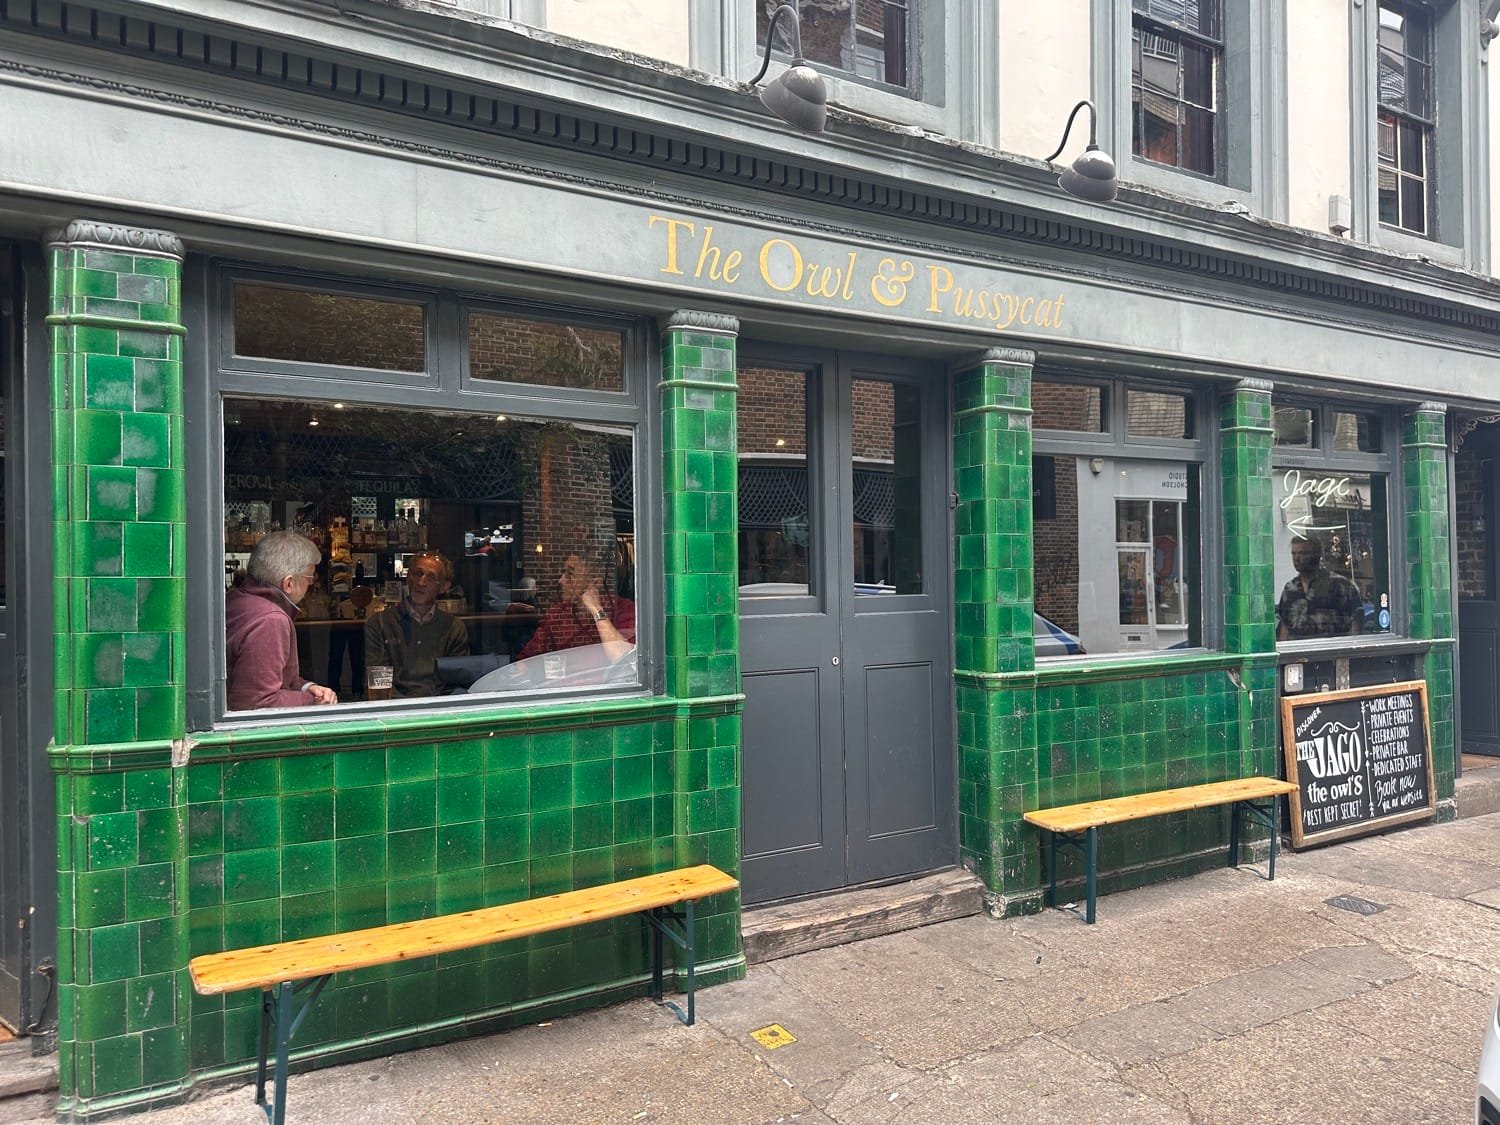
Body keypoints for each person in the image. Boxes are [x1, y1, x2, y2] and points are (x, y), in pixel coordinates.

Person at [224, 531, 338, 710]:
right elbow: (258, 702)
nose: (312, 584)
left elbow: (274, 679)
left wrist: (308, 687)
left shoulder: (237, 598)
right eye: (310, 578)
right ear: (289, 583)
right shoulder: (270, 620)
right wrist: (313, 701)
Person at [364, 551, 469, 697]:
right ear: (408, 578)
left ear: (444, 587)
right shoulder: (380, 623)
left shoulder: (454, 627)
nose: (421, 582)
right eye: (417, 574)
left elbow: (457, 681)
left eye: (431, 577)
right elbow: (378, 682)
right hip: (395, 710)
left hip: (437, 711)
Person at [518, 546, 635, 662]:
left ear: (596, 582)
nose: (561, 580)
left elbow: (624, 659)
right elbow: (527, 659)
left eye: (570, 574)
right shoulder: (558, 613)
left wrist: (596, 609)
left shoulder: (625, 609)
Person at [1276, 537, 1363, 640]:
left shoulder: (1340, 586)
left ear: (1316, 555)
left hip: (1331, 651)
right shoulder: (1290, 589)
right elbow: (1284, 626)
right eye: (1293, 553)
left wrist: (1346, 653)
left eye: (1303, 553)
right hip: (1298, 652)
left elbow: (1356, 622)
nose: (1297, 558)